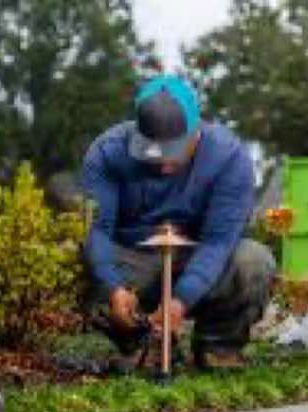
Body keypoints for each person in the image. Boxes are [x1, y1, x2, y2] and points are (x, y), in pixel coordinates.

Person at [81, 74, 276, 369]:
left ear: (196, 130)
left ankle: (218, 345)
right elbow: (99, 231)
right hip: (136, 259)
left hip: (199, 256)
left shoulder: (229, 158)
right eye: (153, 152)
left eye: (175, 151)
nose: (164, 164)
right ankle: (139, 344)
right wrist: (112, 287)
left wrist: (180, 300)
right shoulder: (107, 152)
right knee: (83, 257)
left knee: (254, 261)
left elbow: (218, 241)